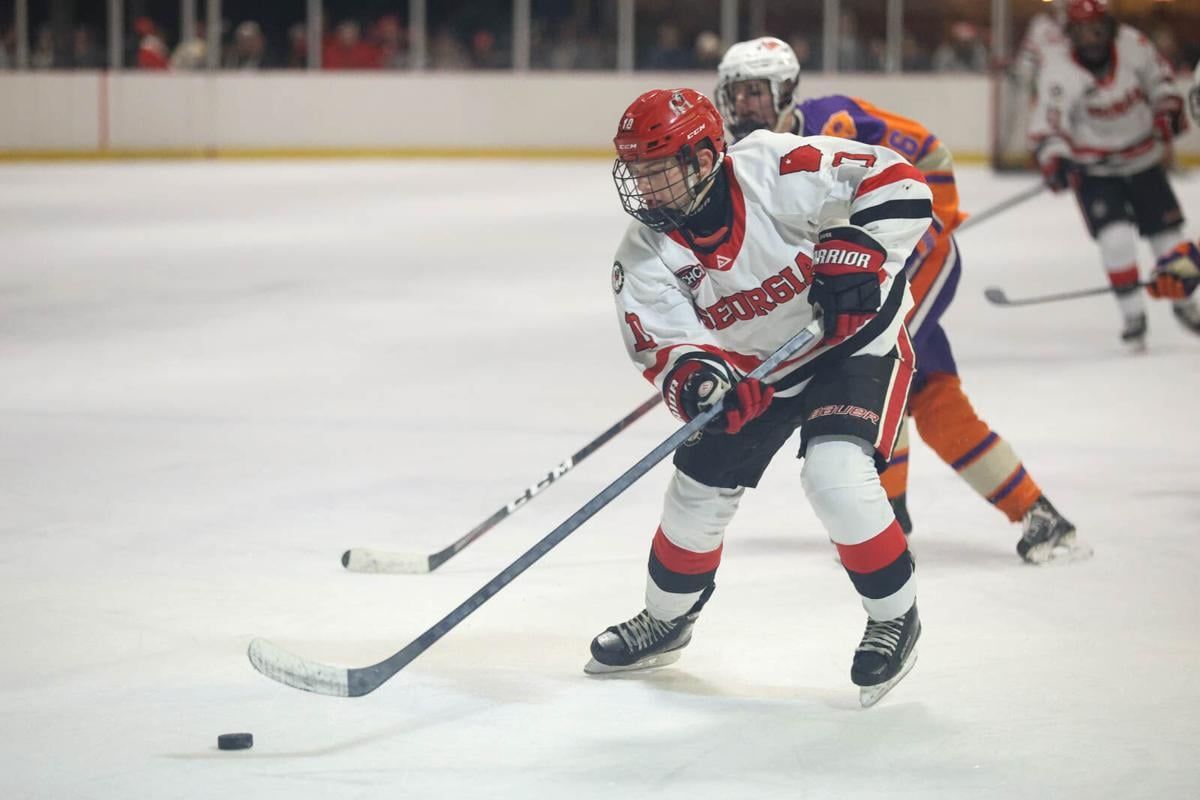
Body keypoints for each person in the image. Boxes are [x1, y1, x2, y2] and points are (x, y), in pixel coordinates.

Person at [589, 87, 931, 707]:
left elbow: (899, 181)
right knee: (695, 490)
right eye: (636, 173)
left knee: (834, 474)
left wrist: (864, 253)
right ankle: (667, 620)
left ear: (702, 157)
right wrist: (701, 381)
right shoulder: (643, 252)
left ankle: (893, 615)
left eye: (658, 171)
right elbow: (661, 342)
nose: (645, 190)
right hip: (762, 369)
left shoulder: (774, 166)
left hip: (852, 342)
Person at [714, 36, 1083, 564]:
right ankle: (1037, 512)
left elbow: (929, 150)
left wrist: (937, 221)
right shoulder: (743, 165)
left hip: (917, 267)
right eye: (736, 93)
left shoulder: (835, 123)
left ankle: (889, 514)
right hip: (866, 287)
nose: (743, 105)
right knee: (935, 399)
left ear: (787, 91)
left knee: (876, 368)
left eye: (755, 92)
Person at [1028, 0, 1196, 345]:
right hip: (1096, 172)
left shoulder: (1133, 45)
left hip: (1144, 161)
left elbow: (1161, 83)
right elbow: (1048, 124)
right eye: (1082, 30)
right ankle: (1133, 314)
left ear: (1110, 27)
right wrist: (1057, 158)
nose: (1091, 37)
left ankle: (1185, 303)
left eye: (1097, 29)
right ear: (1070, 32)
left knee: (1168, 240)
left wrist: (1167, 110)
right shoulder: (1058, 68)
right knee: (1116, 240)